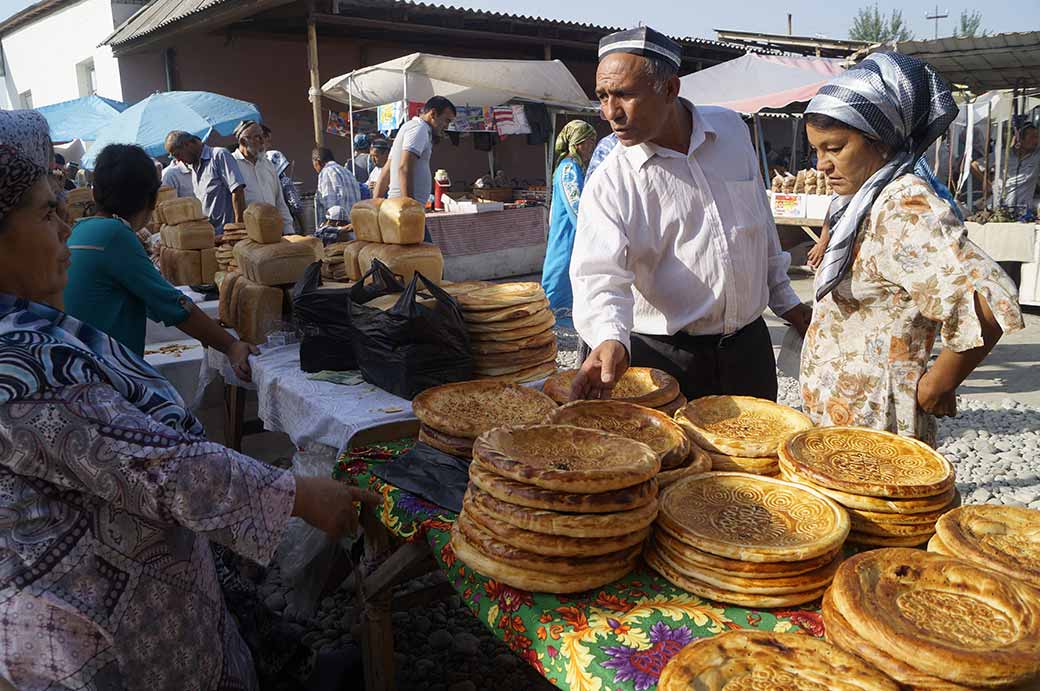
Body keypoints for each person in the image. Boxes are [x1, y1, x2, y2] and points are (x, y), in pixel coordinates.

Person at [0, 134, 382, 690]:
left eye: (64, 210)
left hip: (95, 594)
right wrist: (299, 495)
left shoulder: (31, 316)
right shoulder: (21, 364)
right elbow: (158, 467)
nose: (63, 228)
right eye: (46, 213)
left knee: (230, 594)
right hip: (110, 623)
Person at [569, 26, 812, 403]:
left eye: (625, 95)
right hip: (665, 360)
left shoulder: (730, 131)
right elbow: (598, 276)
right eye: (602, 97)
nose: (611, 113)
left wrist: (786, 301)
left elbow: (759, 225)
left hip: (748, 351)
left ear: (670, 89)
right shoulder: (611, 181)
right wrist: (609, 337)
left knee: (754, 459)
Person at [799, 53, 1024, 445]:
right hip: (841, 417)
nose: (823, 165)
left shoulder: (905, 208)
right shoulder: (861, 200)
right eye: (817, 150)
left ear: (880, 141)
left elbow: (990, 300)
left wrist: (937, 384)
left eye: (835, 148)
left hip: (877, 427)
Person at [63, 144, 258, 375]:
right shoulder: (114, 235)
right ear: (153, 200)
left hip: (80, 364)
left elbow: (148, 300)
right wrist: (231, 346)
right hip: (105, 372)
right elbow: (171, 304)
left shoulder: (79, 231)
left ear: (94, 193)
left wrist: (211, 331)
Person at [542, 120, 597, 318]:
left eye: (593, 141)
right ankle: (553, 312)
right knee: (561, 266)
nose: (592, 146)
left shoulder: (576, 166)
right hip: (568, 229)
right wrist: (590, 231)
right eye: (588, 141)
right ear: (577, 143)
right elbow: (576, 203)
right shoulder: (568, 168)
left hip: (571, 228)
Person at [164, 130, 247, 234]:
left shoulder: (219, 155)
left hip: (229, 233)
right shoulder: (194, 167)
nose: (179, 160)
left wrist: (238, 228)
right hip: (211, 235)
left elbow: (237, 190)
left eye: (177, 154)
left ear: (188, 144)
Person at [385, 96, 456, 204]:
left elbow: (387, 169)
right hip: (403, 208)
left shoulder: (411, 127)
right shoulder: (419, 129)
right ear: (433, 114)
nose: (446, 126)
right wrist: (410, 207)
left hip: (399, 206)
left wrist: (374, 204)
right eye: (446, 120)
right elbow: (404, 168)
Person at [232, 120, 293, 234]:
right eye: (257, 137)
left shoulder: (267, 164)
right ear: (243, 141)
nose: (262, 141)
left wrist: (288, 229)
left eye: (263, 137)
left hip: (274, 230)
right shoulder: (232, 164)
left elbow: (279, 200)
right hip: (248, 233)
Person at [972, 120, 1040, 211]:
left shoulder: (1037, 156)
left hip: (1023, 210)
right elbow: (973, 166)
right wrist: (986, 183)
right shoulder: (1002, 155)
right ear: (1019, 138)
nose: (1036, 140)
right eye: (1032, 137)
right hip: (997, 207)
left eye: (1037, 137)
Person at [262, 125, 305, 232]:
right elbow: (296, 206)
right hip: (284, 226)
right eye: (268, 141)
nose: (269, 144)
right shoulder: (284, 181)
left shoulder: (264, 175)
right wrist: (304, 228)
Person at [313, 146, 365, 221]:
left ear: (318, 162)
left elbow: (330, 206)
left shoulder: (326, 172)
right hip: (353, 224)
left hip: (339, 227)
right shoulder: (347, 172)